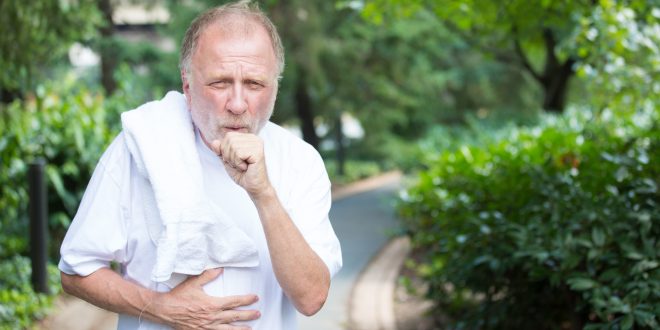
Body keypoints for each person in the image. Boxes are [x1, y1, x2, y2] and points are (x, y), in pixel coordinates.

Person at [58, 1, 342, 329]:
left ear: (275, 86)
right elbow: (76, 270)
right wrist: (159, 308)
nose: (237, 104)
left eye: (254, 84)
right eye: (220, 83)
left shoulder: (300, 162)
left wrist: (263, 193)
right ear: (187, 83)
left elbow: (311, 298)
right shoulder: (140, 147)